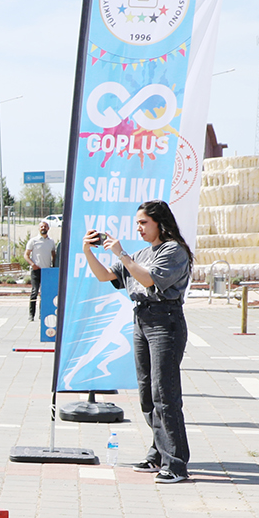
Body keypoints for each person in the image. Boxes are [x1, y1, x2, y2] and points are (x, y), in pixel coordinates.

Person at [81, 200, 194, 485]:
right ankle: (158, 453)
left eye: (144, 222)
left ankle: (177, 463)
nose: (139, 228)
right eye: (137, 223)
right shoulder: (142, 252)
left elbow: (149, 280)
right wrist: (87, 251)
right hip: (142, 320)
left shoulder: (173, 251)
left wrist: (121, 253)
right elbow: (106, 275)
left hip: (165, 321)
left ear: (160, 222)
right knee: (147, 394)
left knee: (165, 394)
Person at [27, 220, 57, 322]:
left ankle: (42, 314)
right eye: (41, 227)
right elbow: (26, 255)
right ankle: (31, 314)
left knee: (44, 294)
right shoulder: (33, 241)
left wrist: (53, 266)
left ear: (48, 228)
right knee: (34, 291)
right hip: (36, 270)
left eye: (45, 226)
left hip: (47, 271)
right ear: (39, 228)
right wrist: (33, 264)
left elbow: (54, 255)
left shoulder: (51, 241)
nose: (43, 228)